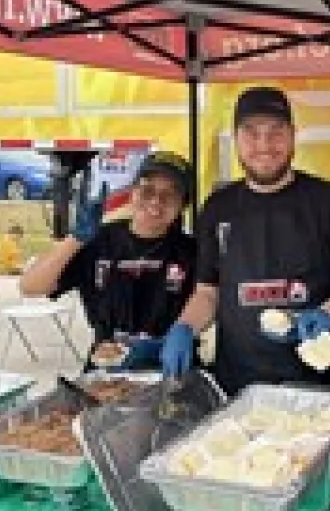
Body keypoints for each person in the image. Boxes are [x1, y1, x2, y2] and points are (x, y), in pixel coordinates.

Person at [160, 86, 330, 396]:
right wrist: (183, 328)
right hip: (238, 385)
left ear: (293, 136)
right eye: (251, 133)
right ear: (236, 138)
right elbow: (208, 291)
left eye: (276, 132)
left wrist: (328, 313)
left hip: (321, 385)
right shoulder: (218, 206)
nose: (264, 144)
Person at [20, 151, 197, 371]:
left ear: (183, 205)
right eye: (147, 190)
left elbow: (209, 302)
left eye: (169, 195)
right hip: (106, 371)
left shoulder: (192, 251)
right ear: (131, 192)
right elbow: (30, 286)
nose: (156, 201)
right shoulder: (99, 241)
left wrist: (178, 336)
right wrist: (75, 239)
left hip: (172, 367)